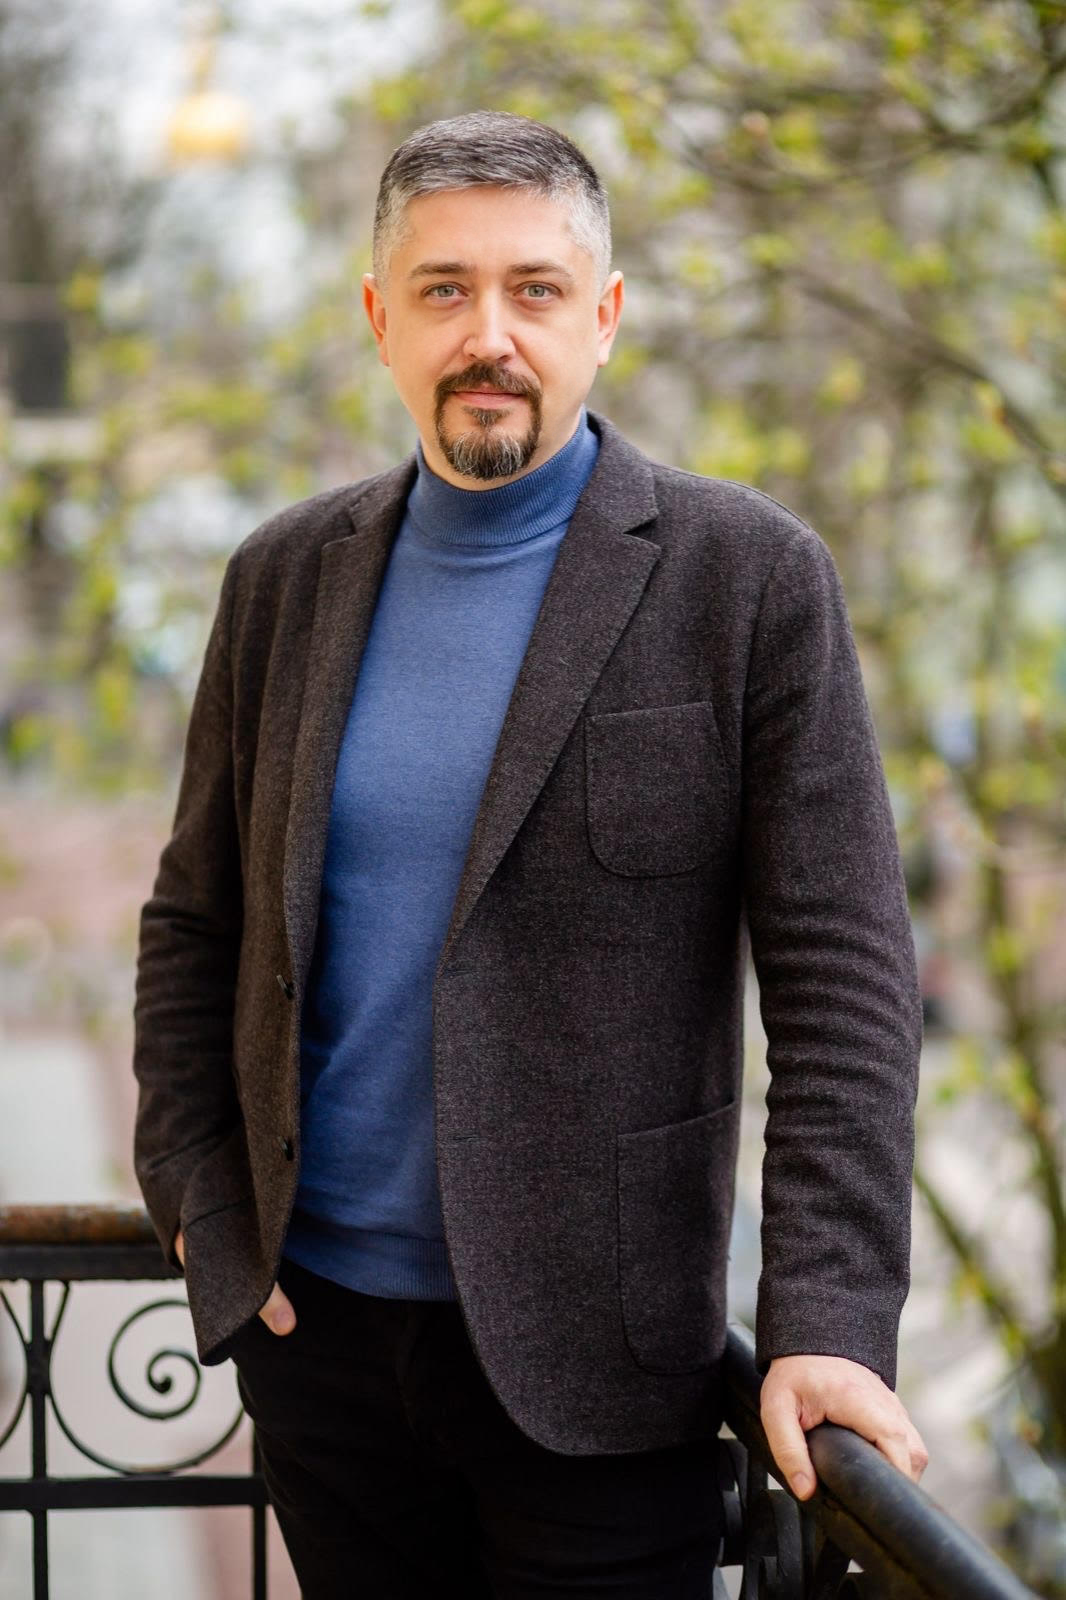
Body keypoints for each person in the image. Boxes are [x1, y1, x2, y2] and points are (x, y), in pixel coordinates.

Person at [133, 110, 928, 1598]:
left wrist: (826, 1321)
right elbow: (195, 921)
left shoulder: (748, 580)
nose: (487, 334)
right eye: (443, 288)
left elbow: (844, 983)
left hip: (605, 1378)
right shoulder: (282, 580)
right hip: (320, 1352)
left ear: (603, 317)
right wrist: (196, 1195)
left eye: (535, 289)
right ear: (379, 318)